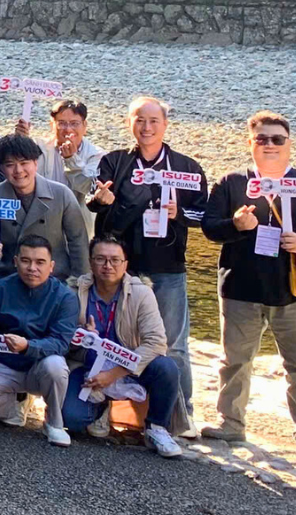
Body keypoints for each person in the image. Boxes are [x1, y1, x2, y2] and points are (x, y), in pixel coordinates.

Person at [202, 111, 296, 467]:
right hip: (240, 288)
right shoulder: (231, 183)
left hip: (294, 293)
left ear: (289, 143)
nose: (269, 145)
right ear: (250, 143)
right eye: (262, 139)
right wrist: (235, 225)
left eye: (277, 139)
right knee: (234, 362)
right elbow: (209, 227)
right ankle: (231, 424)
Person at [90, 96, 207, 432]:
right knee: (115, 339)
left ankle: (182, 414)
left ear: (165, 125)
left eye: (154, 121)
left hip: (167, 266)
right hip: (120, 269)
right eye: (140, 120)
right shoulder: (114, 162)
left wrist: (179, 214)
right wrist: (100, 199)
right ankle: (108, 409)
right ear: (129, 123)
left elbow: (204, 214)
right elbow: (94, 201)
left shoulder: (186, 167)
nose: (146, 127)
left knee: (174, 345)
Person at [64, 236, 187, 457]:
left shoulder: (141, 293)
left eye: (114, 260)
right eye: (100, 259)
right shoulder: (75, 291)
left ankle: (156, 427)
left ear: (125, 264)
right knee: (72, 420)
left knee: (166, 367)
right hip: (88, 367)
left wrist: (114, 373)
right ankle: (101, 408)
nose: (107, 266)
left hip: (130, 366)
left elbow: (156, 342)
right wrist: (79, 337)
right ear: (90, 262)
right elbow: (61, 339)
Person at [0, 236, 78, 447]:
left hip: (40, 366)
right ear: (15, 261)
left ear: (51, 266)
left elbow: (61, 342)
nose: (32, 268)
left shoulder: (66, 297)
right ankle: (15, 407)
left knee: (56, 366)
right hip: (4, 364)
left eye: (40, 262)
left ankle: (54, 422)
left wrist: (28, 346)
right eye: (26, 261)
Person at [0, 134, 89, 282]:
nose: (18, 170)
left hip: (55, 277)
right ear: (1, 168)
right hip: (9, 276)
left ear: (35, 163)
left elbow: (78, 241)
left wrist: (78, 281)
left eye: (24, 163)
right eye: (10, 164)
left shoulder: (61, 194)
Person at [31, 99, 105, 238]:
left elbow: (89, 187)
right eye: (62, 123)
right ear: (52, 125)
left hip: (78, 224)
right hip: (42, 221)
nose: (68, 129)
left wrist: (71, 160)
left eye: (74, 123)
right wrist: (21, 139)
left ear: (84, 125)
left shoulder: (96, 155)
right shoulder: (39, 148)